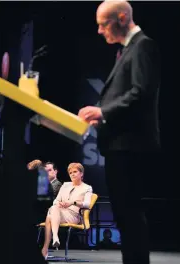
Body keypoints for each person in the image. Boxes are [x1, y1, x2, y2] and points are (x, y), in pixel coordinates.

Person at [78, 1, 160, 264]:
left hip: (130, 146)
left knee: (130, 215)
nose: (100, 31)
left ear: (122, 18)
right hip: (120, 145)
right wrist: (101, 116)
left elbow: (140, 93)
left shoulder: (143, 46)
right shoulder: (128, 50)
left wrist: (103, 112)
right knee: (125, 217)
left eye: (103, 24)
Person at [41, 162, 93, 258]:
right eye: (70, 172)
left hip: (73, 215)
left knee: (50, 215)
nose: (72, 174)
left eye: (75, 172)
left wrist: (73, 202)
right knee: (53, 208)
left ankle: (47, 247)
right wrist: (59, 203)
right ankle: (55, 238)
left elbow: (87, 204)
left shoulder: (87, 188)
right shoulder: (65, 185)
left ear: (81, 174)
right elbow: (56, 201)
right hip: (59, 213)